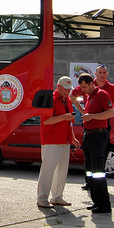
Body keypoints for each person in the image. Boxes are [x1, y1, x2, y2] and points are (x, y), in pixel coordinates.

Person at [70, 63, 114, 190]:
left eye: (104, 73)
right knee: (88, 155)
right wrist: (82, 111)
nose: (102, 75)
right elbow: (72, 95)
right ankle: (89, 182)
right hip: (88, 125)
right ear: (96, 74)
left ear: (107, 74)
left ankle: (99, 183)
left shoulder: (110, 89)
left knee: (100, 155)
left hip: (103, 125)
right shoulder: (87, 85)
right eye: (100, 72)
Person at [37, 76, 80, 208]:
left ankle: (57, 197)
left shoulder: (67, 100)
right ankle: (42, 198)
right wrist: (63, 117)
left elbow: (69, 121)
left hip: (64, 140)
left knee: (62, 171)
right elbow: (46, 120)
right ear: (58, 87)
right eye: (65, 89)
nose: (68, 91)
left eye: (69, 89)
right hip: (51, 140)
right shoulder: (51, 100)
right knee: (48, 170)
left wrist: (72, 137)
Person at [78, 73, 114, 213]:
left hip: (99, 136)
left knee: (98, 172)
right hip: (89, 136)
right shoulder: (89, 97)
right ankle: (96, 201)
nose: (83, 90)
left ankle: (104, 204)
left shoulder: (102, 94)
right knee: (90, 171)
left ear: (91, 83)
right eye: (82, 87)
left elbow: (111, 113)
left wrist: (91, 116)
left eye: (85, 87)